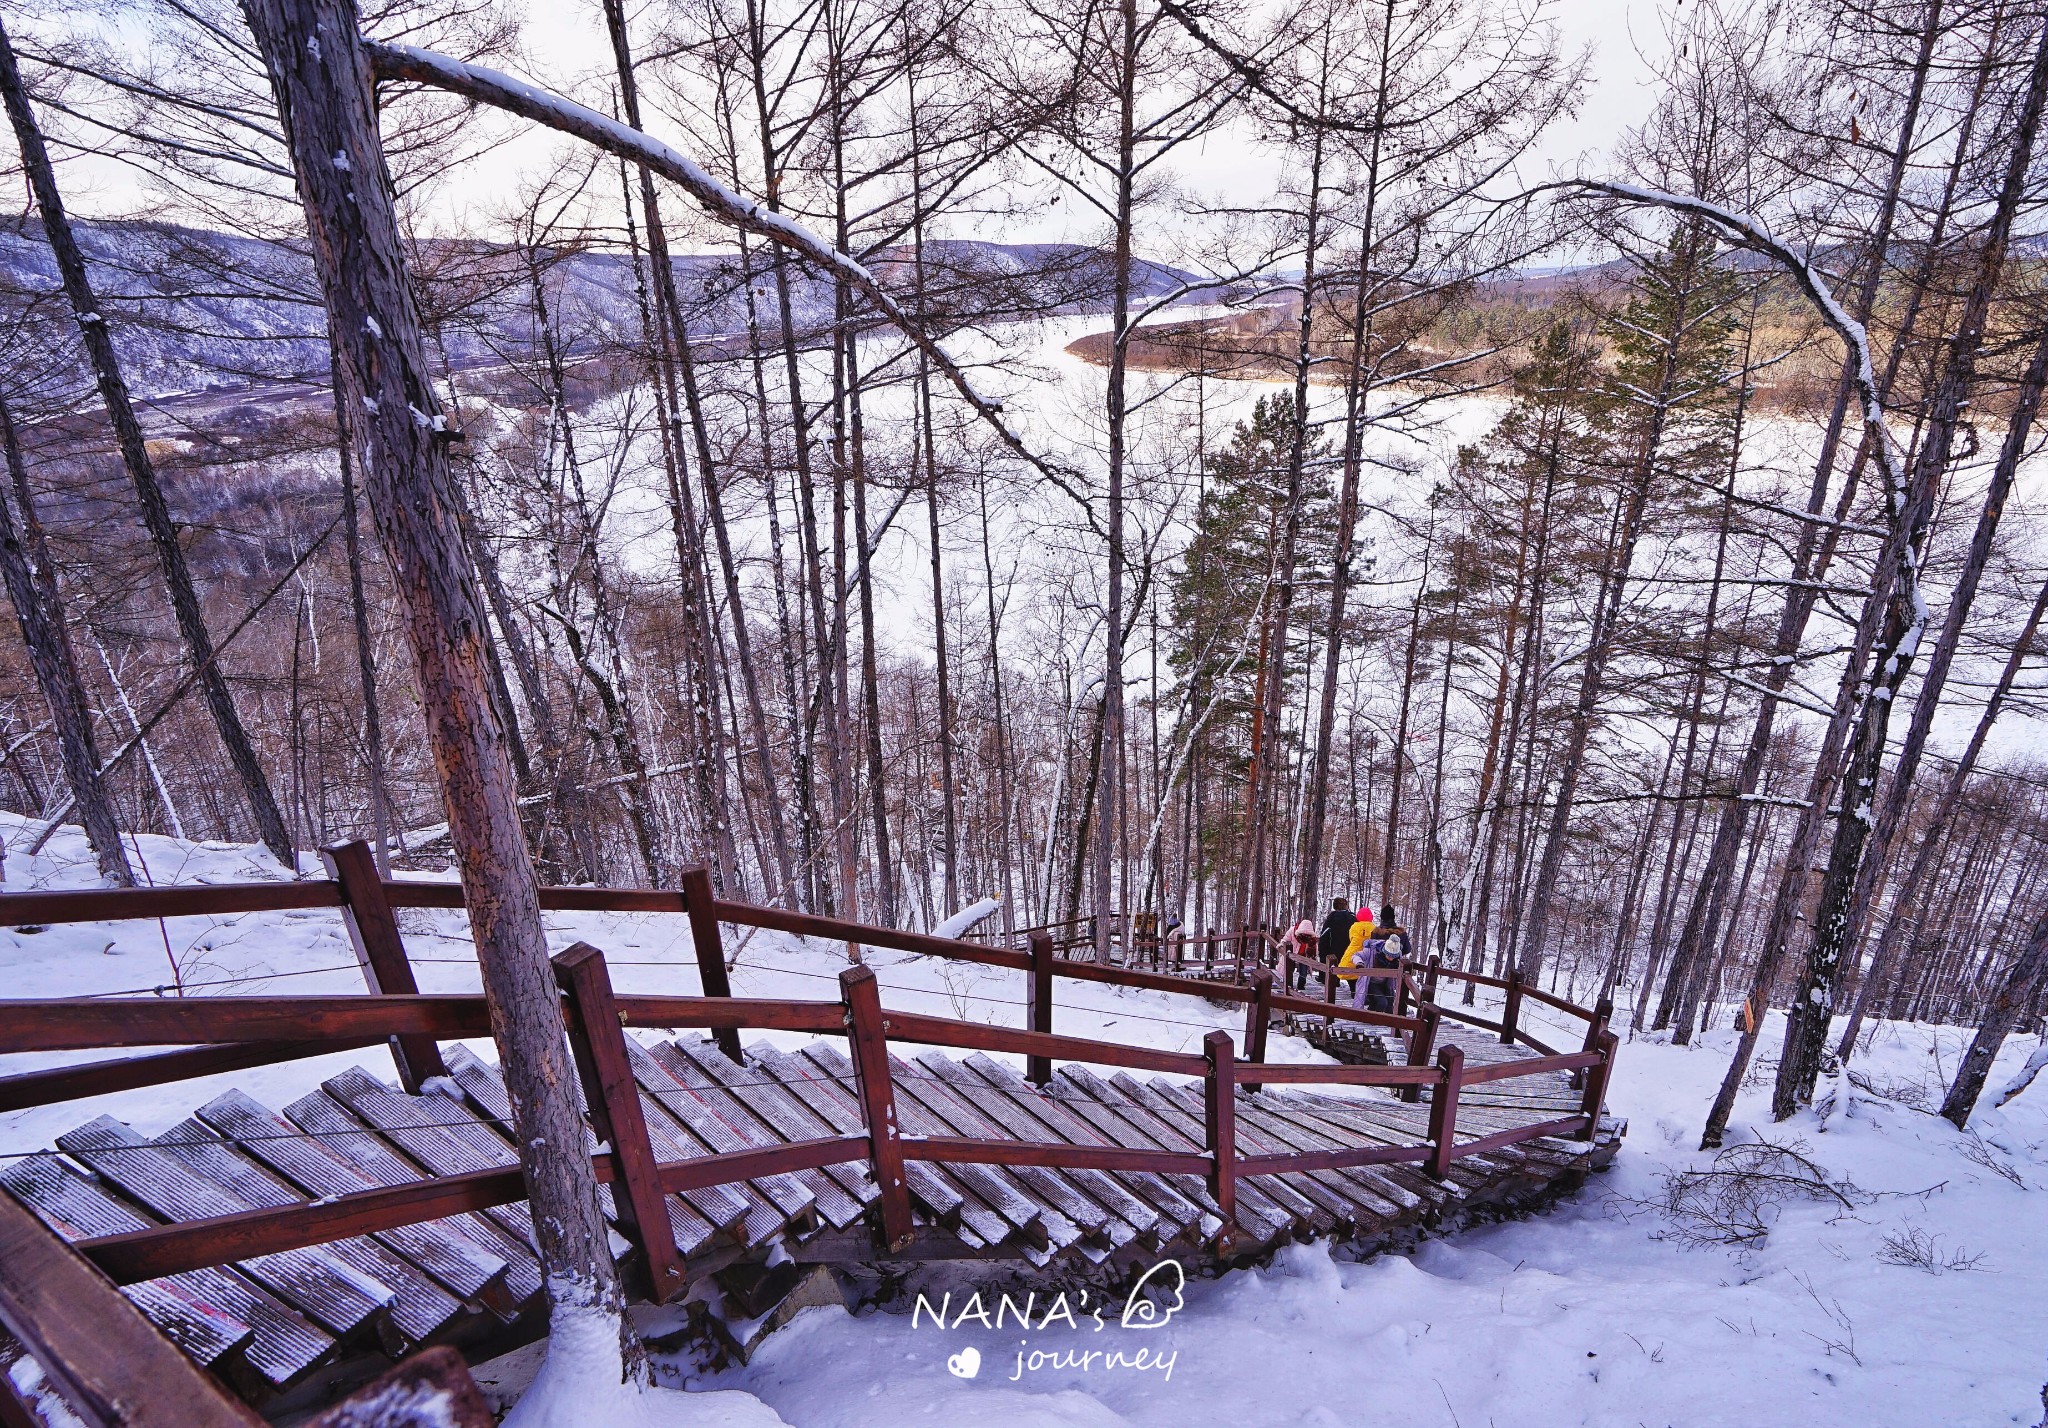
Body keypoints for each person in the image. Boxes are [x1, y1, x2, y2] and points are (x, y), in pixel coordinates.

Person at [1359, 904, 1406, 1014]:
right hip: (1393, 969)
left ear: (1382, 917)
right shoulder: (1401, 933)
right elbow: (1407, 949)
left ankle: (1374, 1013)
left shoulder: (1376, 931)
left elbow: (1370, 946)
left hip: (1376, 968)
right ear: (1393, 917)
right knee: (1389, 996)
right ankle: (1386, 1019)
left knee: (1381, 996)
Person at [1318, 898, 1354, 964]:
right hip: (1351, 958)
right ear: (1346, 906)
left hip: (1333, 958)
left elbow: (1324, 939)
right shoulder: (1354, 919)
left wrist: (1323, 958)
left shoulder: (1331, 919)